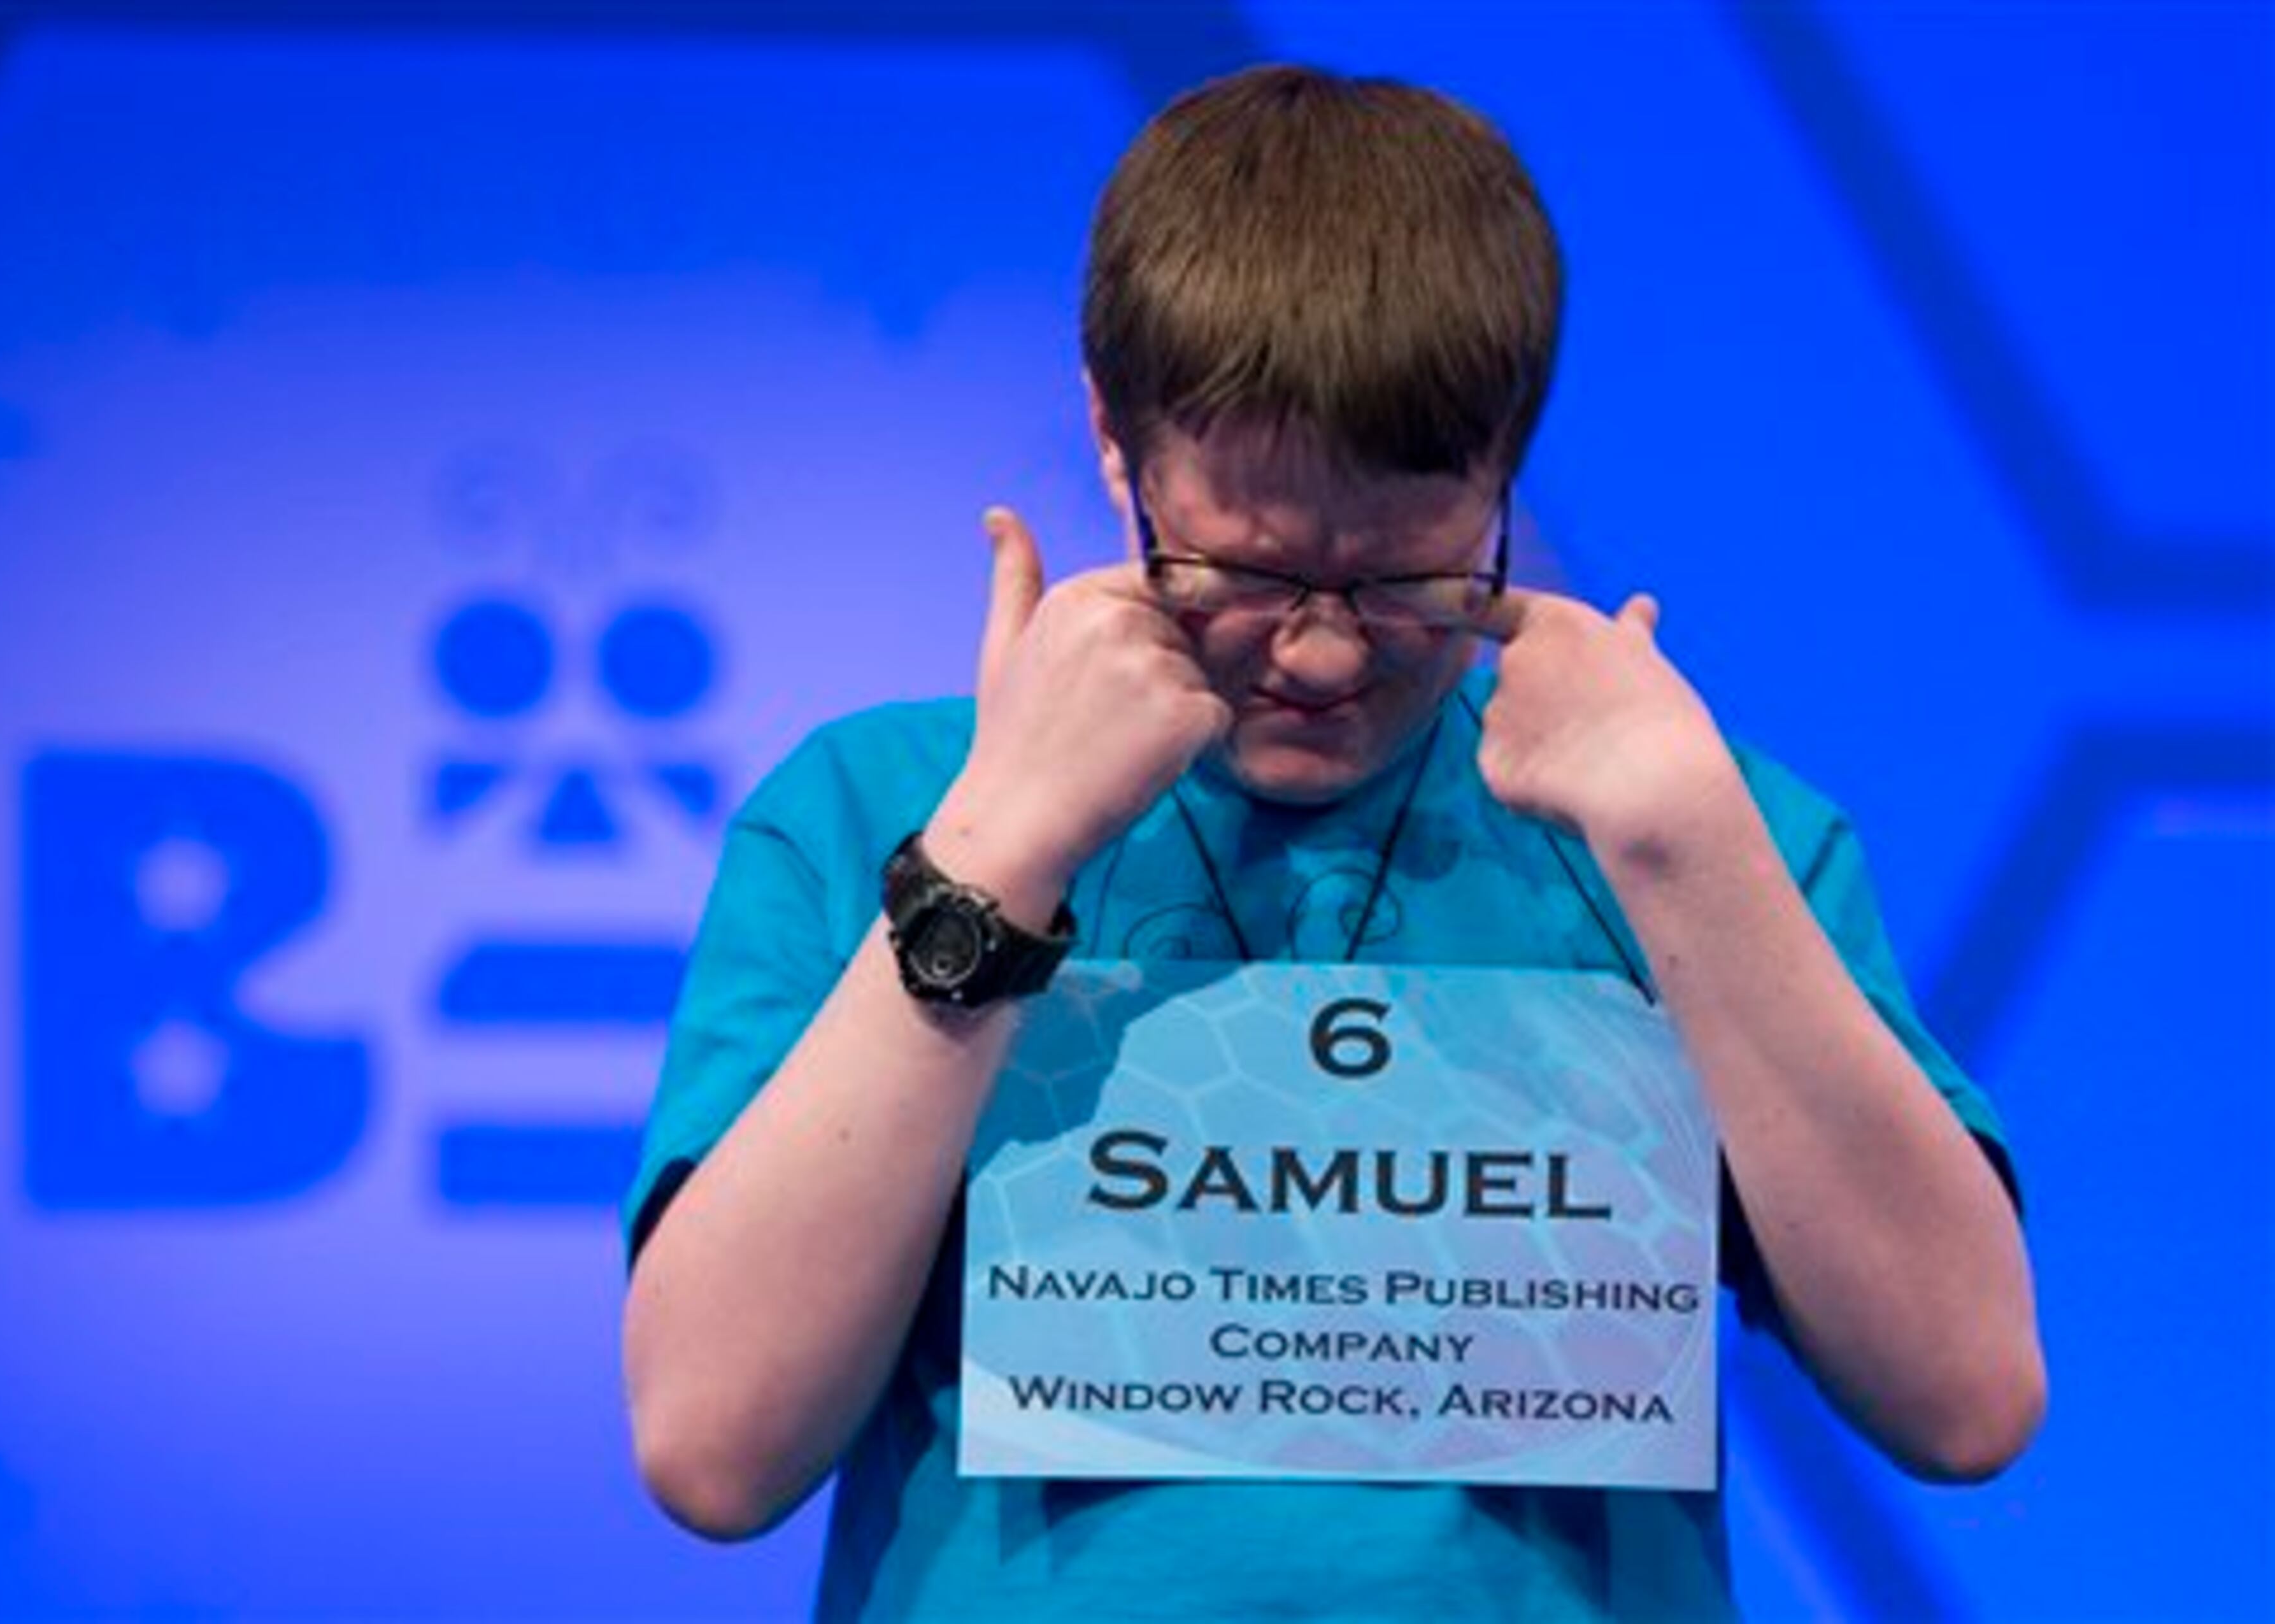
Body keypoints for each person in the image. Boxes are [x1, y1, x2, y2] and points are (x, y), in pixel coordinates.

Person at [618, 64, 2043, 1621]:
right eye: (1243, 569)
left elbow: (1966, 1400)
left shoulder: (1682, 832)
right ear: (1114, 440)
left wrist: (1688, 855)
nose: (1318, 656)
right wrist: (998, 858)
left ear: (1505, 472)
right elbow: (713, 1447)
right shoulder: (874, 807)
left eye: (1412, 581)